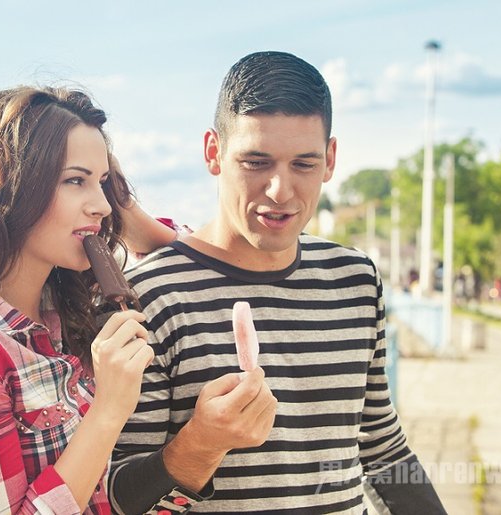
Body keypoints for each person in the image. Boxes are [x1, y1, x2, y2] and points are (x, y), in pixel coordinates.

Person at [109, 52, 446, 514]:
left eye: (303, 165)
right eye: (256, 162)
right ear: (214, 153)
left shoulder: (356, 279)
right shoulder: (148, 297)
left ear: (330, 159)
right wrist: (202, 444)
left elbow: (382, 448)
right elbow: (118, 494)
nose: (280, 191)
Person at [0, 85, 177, 514]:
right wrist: (108, 412)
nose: (102, 205)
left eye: (103, 183)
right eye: (75, 180)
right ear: (11, 188)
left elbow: (195, 253)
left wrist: (123, 207)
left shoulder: (60, 320)